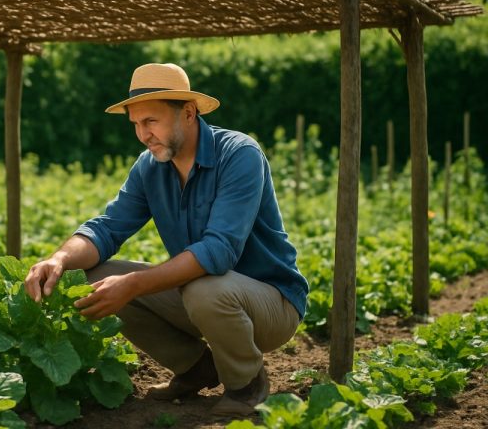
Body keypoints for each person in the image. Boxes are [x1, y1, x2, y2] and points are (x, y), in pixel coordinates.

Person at [23, 62, 309, 417]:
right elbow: (107, 228)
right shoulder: (150, 167)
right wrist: (59, 259)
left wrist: (134, 284)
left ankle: (247, 384)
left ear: (187, 113)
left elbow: (219, 251)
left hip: (271, 304)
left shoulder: (239, 154)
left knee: (204, 288)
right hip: (203, 295)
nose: (143, 134)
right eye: (136, 124)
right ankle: (195, 369)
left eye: (151, 121)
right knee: (96, 277)